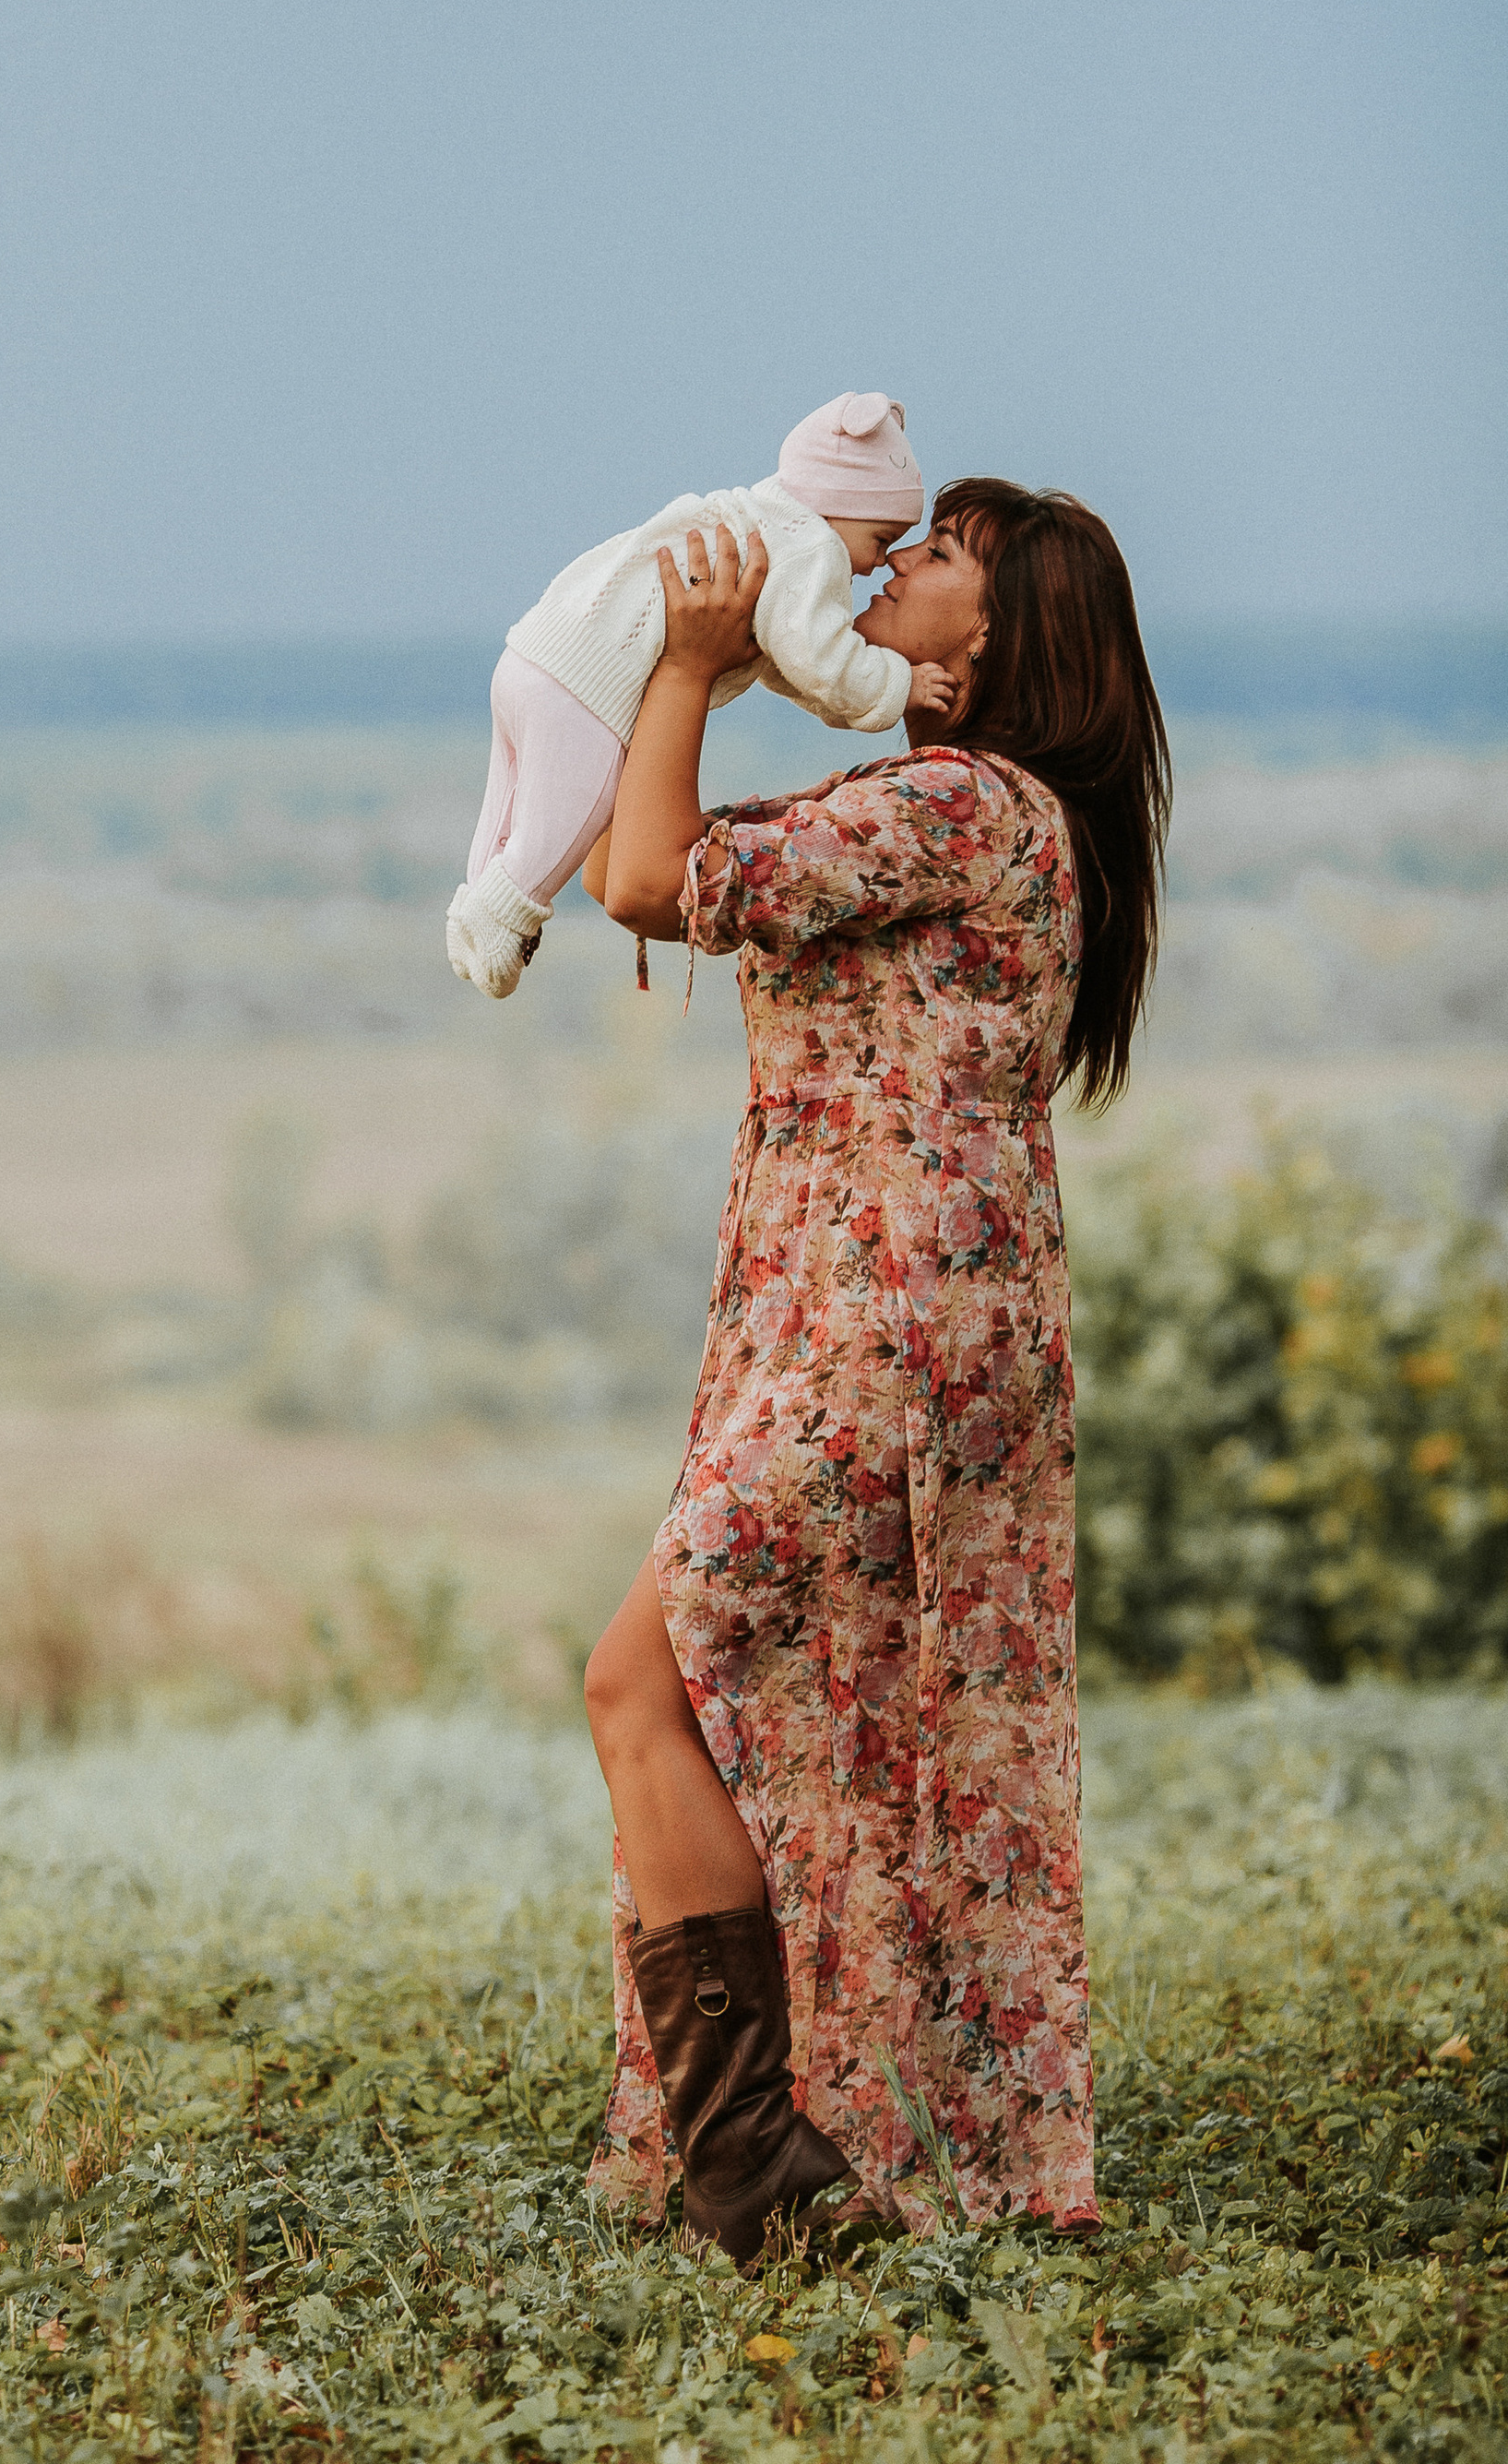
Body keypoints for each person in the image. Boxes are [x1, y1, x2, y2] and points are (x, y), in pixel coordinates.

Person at [576, 481, 1170, 2266]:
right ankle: (834, 2144)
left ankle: (758, 2173)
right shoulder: (993, 812)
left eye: (934, 562)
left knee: (643, 1682)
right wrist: (783, 673)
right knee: (854, 1726)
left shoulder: (951, 805)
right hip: (930, 1313)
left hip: (878, 1320)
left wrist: (692, 660)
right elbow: (702, 851)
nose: (889, 569)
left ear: (995, 638)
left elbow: (640, 874)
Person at [446, 395, 955, 1000]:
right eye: (882, 537)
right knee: (557, 823)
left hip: (535, 654)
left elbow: (791, 666)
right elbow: (823, 658)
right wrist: (899, 685)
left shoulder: (764, 519)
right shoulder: (812, 550)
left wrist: (709, 669)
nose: (884, 560)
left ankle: (470, 908)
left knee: (506, 801)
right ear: (842, 507)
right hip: (588, 690)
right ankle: (507, 919)